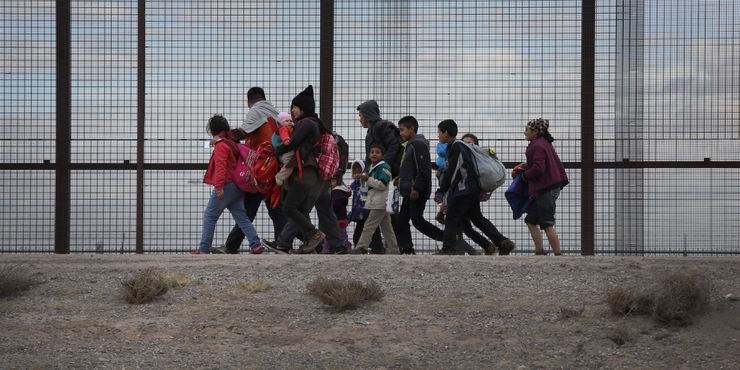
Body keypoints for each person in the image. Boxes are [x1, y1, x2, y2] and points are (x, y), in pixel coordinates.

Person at [216, 87, 286, 254]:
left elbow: (241, 133)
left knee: (249, 208)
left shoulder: (256, 110)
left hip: (261, 168)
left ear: (249, 102)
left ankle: (231, 246)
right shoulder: (274, 113)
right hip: (275, 166)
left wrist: (221, 136)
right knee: (275, 208)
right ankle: (284, 243)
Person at [435, 119, 516, 255]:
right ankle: (502, 242)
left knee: (452, 217)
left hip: (463, 190)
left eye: (439, 132)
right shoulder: (459, 147)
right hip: (472, 189)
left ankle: (448, 248)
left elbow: (453, 172)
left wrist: (441, 191)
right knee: (477, 218)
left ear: (446, 133)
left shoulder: (456, 147)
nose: (438, 136)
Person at [193, 115, 262, 254]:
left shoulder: (221, 146)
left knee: (210, 216)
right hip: (237, 187)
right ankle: (255, 244)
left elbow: (221, 167)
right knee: (241, 216)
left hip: (226, 185)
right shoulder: (232, 142)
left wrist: (218, 187)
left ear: (213, 130)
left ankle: (203, 249)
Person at [273, 85, 326, 254]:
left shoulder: (307, 123)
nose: (292, 111)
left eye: (294, 107)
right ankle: (291, 244)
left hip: (305, 173)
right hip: (307, 174)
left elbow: (293, 142)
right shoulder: (311, 123)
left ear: (303, 107)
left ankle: (315, 234)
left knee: (289, 207)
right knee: (300, 211)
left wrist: (277, 150)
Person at [512, 118, 569, 256]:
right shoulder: (543, 143)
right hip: (549, 186)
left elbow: (538, 168)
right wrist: (526, 166)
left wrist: (525, 175)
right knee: (531, 220)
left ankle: (558, 254)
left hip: (546, 188)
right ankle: (540, 251)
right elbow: (541, 163)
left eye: (527, 130)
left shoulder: (537, 146)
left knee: (547, 222)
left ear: (535, 132)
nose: (524, 132)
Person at [357, 100, 403, 253]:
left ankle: (362, 246)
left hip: (382, 177)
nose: (360, 119)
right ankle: (395, 249)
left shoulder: (381, 127)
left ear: (368, 116)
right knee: (385, 222)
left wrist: (383, 167)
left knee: (372, 220)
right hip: (379, 177)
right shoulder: (372, 130)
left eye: (361, 115)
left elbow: (393, 146)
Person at [395, 116, 444, 255]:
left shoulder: (418, 145)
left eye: (402, 130)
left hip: (416, 190)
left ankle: (448, 239)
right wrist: (400, 179)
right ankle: (407, 249)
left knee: (416, 220)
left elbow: (424, 169)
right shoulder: (410, 145)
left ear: (412, 129)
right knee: (402, 221)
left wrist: (416, 188)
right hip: (410, 190)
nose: (400, 133)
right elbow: (410, 168)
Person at [350, 144, 399, 254]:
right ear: (368, 155)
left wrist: (367, 179)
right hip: (380, 202)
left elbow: (382, 184)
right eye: (372, 152)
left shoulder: (383, 167)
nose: (374, 154)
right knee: (387, 229)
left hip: (380, 202)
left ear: (383, 155)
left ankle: (361, 247)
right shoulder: (374, 168)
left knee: (369, 225)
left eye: (377, 152)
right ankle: (395, 250)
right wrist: (365, 179)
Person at [348, 160, 384, 252]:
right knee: (358, 234)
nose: (356, 170)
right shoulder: (353, 185)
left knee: (374, 232)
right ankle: (360, 249)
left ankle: (378, 249)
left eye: (358, 168)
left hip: (368, 211)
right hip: (359, 214)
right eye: (354, 169)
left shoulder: (366, 182)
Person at [320, 175, 352, 253]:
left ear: (337, 181)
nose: (330, 183)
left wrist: (328, 210)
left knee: (333, 235)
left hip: (337, 219)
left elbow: (334, 205)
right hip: (342, 218)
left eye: (332, 181)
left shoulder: (336, 191)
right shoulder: (342, 191)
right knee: (342, 235)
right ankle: (344, 246)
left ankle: (327, 250)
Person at [272, 112, 295, 186]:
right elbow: (284, 135)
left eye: (291, 121)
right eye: (286, 121)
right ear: (281, 123)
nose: (290, 123)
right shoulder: (283, 128)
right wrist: (286, 140)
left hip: (285, 151)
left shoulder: (290, 129)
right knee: (290, 164)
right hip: (285, 153)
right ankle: (280, 177)